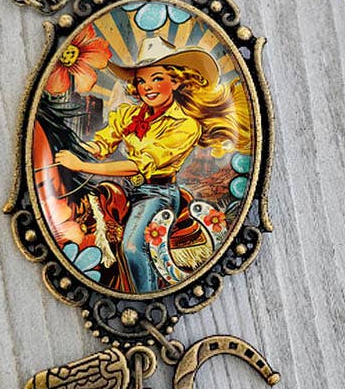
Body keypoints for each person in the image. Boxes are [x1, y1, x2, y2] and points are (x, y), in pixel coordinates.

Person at [55, 36, 251, 293]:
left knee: (132, 248)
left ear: (176, 81)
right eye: (141, 81)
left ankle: (147, 296)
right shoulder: (130, 114)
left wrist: (81, 165)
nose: (147, 87)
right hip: (129, 189)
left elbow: (136, 166)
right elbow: (102, 144)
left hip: (158, 194)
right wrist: (72, 150)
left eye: (156, 78)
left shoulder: (185, 125)